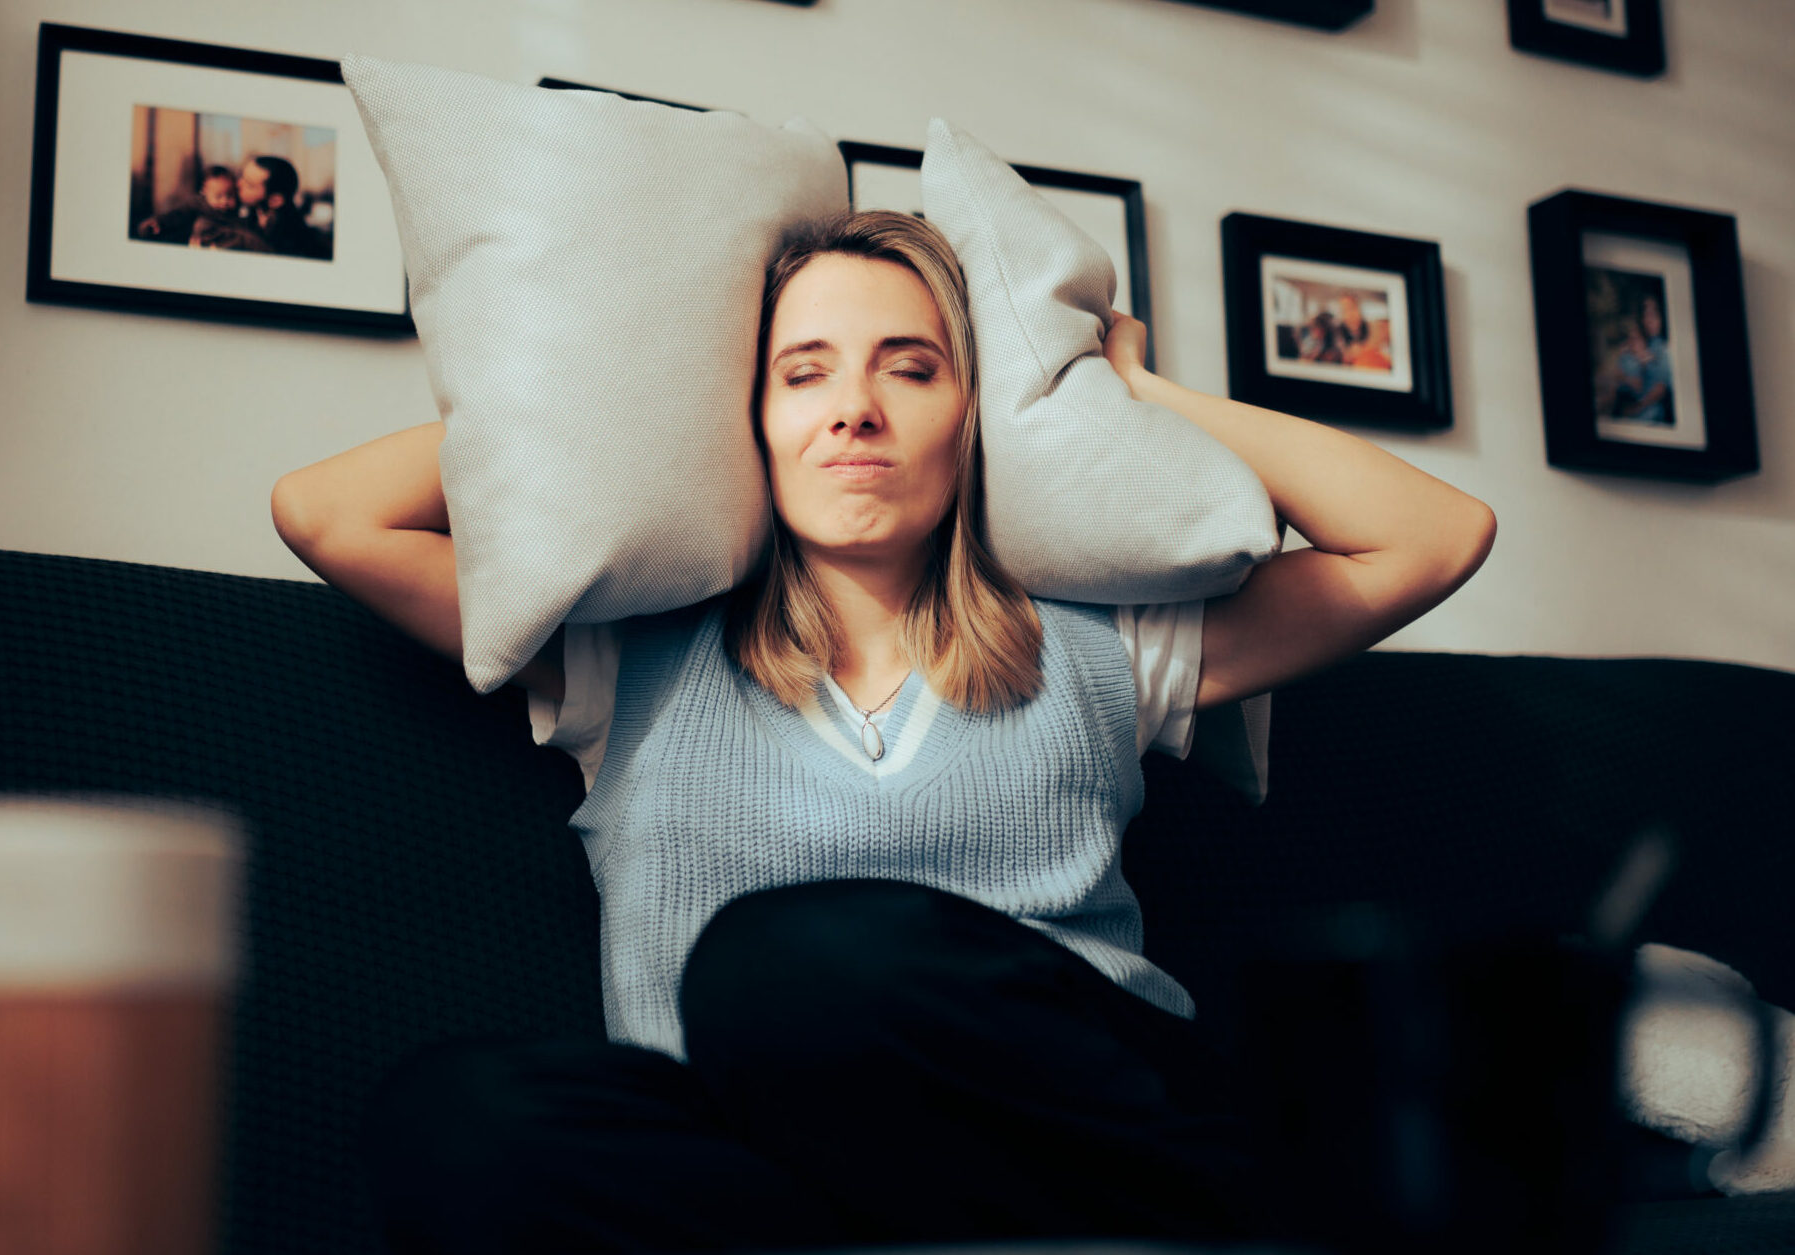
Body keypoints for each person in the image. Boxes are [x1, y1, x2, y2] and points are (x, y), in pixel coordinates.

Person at [271, 210, 1497, 1250]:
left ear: (973, 414)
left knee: (792, 965)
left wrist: (1121, 392)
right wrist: (644, 391)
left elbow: (1429, 538)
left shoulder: (1100, 644)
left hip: (1067, 1131)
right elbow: (327, 514)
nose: (853, 410)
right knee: (455, 1116)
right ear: (740, 416)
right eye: (801, 373)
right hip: (754, 1171)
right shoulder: (621, 653)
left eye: (909, 369)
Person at [237, 155, 330, 258]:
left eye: (249, 185)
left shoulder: (292, 241)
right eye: (241, 176)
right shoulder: (252, 215)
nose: (238, 184)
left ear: (275, 201)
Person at [134, 165, 241, 247]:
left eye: (230, 195)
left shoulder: (236, 211)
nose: (224, 201)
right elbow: (178, 213)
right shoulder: (198, 203)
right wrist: (160, 221)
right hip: (197, 241)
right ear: (204, 192)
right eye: (218, 196)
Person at [1611, 291, 1674, 423]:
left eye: (1653, 315)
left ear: (1664, 315)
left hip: (1650, 412)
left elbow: (1660, 389)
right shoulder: (1647, 342)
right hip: (1631, 400)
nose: (1648, 320)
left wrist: (1636, 408)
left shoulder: (1664, 349)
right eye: (1645, 315)